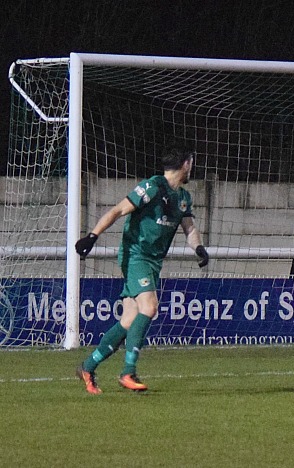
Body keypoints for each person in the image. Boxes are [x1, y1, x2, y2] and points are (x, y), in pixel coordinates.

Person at [74, 146, 209, 394]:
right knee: (150, 306)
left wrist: (199, 248)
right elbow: (117, 210)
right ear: (186, 164)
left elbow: (189, 229)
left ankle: (87, 366)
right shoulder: (151, 187)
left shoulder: (183, 198)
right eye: (192, 162)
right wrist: (91, 237)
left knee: (128, 321)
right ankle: (128, 372)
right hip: (135, 255)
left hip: (153, 262)